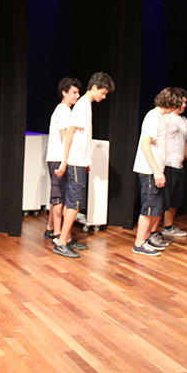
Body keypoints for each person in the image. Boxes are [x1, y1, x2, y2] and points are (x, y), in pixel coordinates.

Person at [54, 72, 115, 258]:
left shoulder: (85, 104)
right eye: (103, 93)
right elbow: (70, 133)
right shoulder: (83, 105)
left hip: (78, 162)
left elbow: (83, 138)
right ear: (94, 88)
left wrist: (86, 161)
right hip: (74, 162)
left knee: (71, 202)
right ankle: (61, 242)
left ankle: (66, 238)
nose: (103, 97)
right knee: (75, 204)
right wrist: (65, 161)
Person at [132, 88, 182, 256]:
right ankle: (139, 243)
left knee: (156, 207)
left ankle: (146, 239)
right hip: (149, 170)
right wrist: (156, 170)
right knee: (149, 207)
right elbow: (145, 145)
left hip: (156, 170)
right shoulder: (153, 117)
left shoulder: (161, 117)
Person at [44, 77, 81, 242]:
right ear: (65, 93)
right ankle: (58, 233)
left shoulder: (62, 109)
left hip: (56, 157)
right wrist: (68, 159)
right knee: (59, 197)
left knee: (56, 195)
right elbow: (64, 137)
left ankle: (51, 228)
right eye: (74, 92)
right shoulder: (64, 111)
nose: (77, 96)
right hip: (59, 158)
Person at [159, 87, 187, 238]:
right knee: (163, 200)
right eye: (181, 102)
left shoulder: (184, 121)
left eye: (186, 103)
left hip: (179, 165)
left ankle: (168, 226)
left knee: (175, 199)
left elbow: (186, 144)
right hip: (167, 164)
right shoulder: (166, 117)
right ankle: (153, 231)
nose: (184, 105)